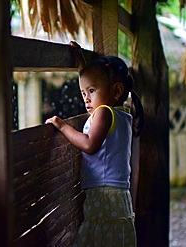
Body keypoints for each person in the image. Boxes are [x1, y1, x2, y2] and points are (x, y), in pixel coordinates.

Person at [45, 41, 144, 247]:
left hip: (104, 192)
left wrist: (62, 126)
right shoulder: (122, 114)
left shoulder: (104, 112)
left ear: (116, 91)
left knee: (99, 239)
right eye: (83, 93)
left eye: (91, 91)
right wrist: (81, 61)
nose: (86, 99)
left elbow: (90, 145)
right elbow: (91, 79)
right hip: (115, 193)